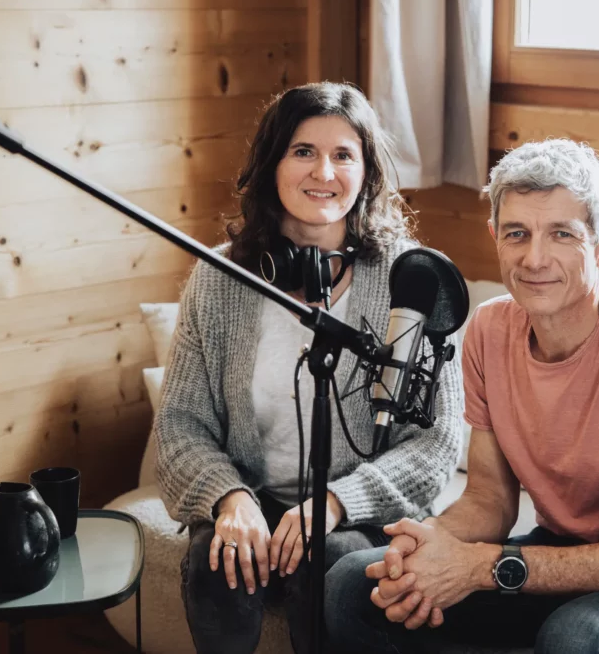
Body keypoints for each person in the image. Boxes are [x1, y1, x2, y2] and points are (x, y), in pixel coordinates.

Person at [325, 138, 599, 653]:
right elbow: (490, 499)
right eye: (517, 233)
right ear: (495, 238)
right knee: (356, 583)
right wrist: (432, 545)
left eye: (561, 234)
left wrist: (482, 568)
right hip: (567, 553)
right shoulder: (489, 328)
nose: (534, 259)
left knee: (576, 638)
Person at [154, 82, 464, 654]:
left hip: (356, 512)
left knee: (334, 565)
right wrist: (229, 498)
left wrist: (337, 503)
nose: (324, 171)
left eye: (343, 155)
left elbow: (437, 443)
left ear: (365, 172)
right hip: (251, 497)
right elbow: (179, 424)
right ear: (273, 165)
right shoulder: (219, 280)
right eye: (304, 151)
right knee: (214, 564)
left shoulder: (412, 281)